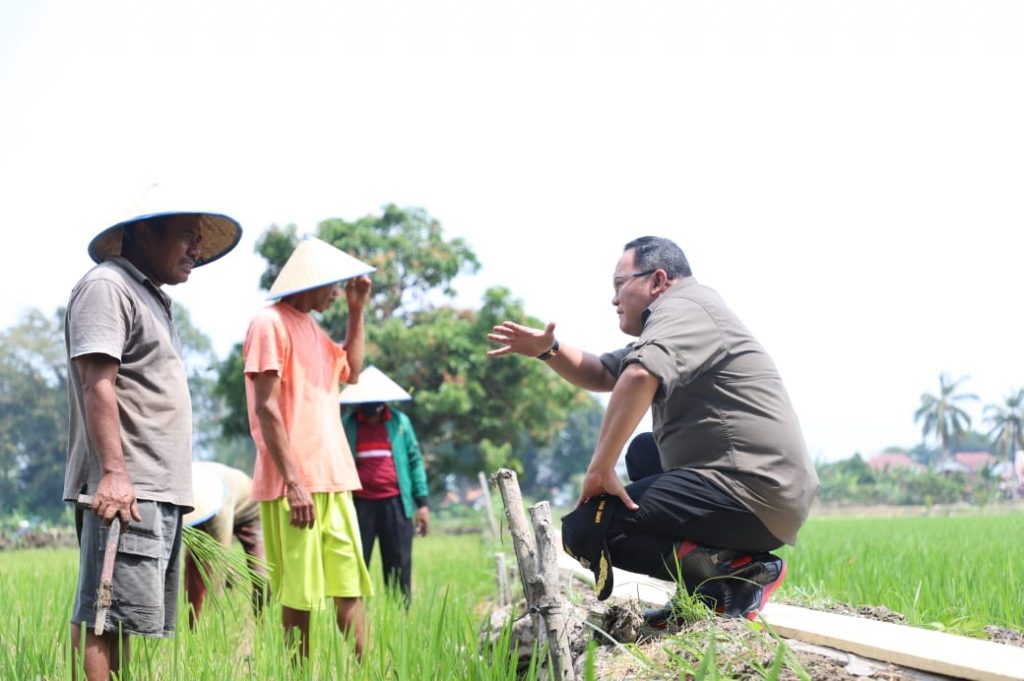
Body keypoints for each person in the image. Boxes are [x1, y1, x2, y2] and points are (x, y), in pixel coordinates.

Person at [487, 236, 819, 624]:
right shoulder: (684, 316)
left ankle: (738, 576)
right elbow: (606, 372)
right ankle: (707, 587)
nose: (614, 299)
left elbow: (638, 376)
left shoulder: (682, 309)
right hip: (761, 493)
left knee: (590, 529)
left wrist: (599, 470)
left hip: (753, 492)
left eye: (619, 284)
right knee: (645, 452)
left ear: (658, 280)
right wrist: (549, 350)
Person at [63, 203, 241, 680]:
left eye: (199, 239)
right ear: (144, 234)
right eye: (186, 235)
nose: (196, 249)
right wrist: (114, 474)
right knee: (102, 615)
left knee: (121, 616)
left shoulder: (151, 297)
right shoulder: (108, 287)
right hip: (127, 486)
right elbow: (97, 384)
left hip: (154, 489)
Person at [243, 236, 375, 661]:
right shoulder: (269, 323)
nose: (337, 293)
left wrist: (357, 310)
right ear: (311, 280)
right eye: (333, 284)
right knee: (299, 595)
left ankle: (371, 672)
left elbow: (353, 371)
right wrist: (294, 482)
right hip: (293, 485)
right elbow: (266, 406)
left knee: (349, 586)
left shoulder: (314, 330)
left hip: (333, 477)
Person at [340, 366, 430, 603]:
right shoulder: (347, 424)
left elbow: (415, 461)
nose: (371, 414)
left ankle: (399, 616)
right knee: (355, 566)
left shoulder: (400, 423)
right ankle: (356, 618)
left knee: (399, 567)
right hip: (359, 505)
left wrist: (422, 504)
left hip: (396, 505)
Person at [182, 460, 267, 628]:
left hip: (249, 510)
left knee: (261, 575)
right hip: (203, 509)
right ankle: (192, 627)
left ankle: (262, 624)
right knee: (193, 565)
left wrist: (211, 622)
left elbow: (219, 563)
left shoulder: (219, 509)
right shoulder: (185, 491)